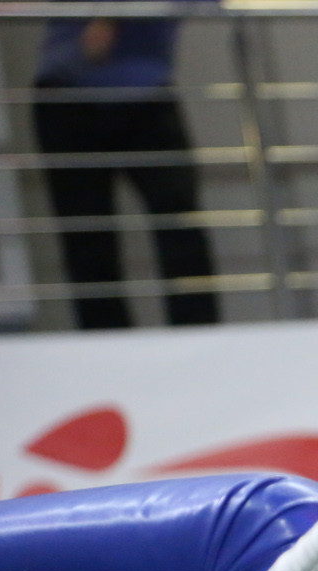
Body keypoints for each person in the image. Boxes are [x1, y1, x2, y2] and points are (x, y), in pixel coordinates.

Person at [32, 0, 220, 330]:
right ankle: (107, 345)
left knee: (179, 223)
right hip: (68, 92)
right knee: (87, 237)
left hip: (146, 92)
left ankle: (198, 336)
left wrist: (110, 17)